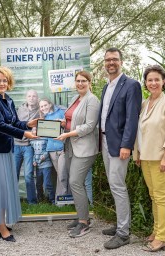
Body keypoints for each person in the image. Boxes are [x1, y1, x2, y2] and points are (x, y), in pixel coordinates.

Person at [0, 66, 38, 242]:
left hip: (6, 149)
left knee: (1, 186)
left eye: (4, 80)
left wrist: (27, 124)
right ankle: (1, 226)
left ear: (8, 82)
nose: (2, 83)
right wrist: (24, 134)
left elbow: (14, 122)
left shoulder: (8, 100)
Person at [133, 65, 165, 252]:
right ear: (145, 83)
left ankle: (162, 238)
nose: (153, 83)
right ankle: (156, 231)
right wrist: (137, 153)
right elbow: (139, 131)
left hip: (161, 157)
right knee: (153, 196)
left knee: (161, 198)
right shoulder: (144, 104)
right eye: (150, 80)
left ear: (163, 81)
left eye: (157, 80)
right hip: (146, 157)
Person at [100, 48, 142, 249]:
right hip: (105, 142)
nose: (111, 63)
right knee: (113, 184)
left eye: (114, 59)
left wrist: (127, 145)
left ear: (121, 62)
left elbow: (132, 118)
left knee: (118, 185)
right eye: (108, 60)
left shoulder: (131, 85)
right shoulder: (106, 86)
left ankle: (123, 233)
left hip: (119, 145)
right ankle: (120, 224)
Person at [56, 71, 100, 238]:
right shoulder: (76, 98)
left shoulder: (92, 100)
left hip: (85, 149)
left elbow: (89, 126)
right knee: (75, 183)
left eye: (83, 81)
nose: (80, 83)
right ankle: (82, 216)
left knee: (75, 182)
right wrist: (63, 123)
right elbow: (72, 120)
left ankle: (84, 223)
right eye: (78, 81)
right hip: (71, 147)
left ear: (89, 82)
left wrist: (67, 134)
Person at [39, 98, 69, 198]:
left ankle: (61, 199)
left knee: (62, 175)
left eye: (45, 105)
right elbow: (45, 137)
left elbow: (67, 126)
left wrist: (62, 123)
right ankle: (63, 198)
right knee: (59, 175)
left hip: (62, 148)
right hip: (51, 149)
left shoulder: (60, 112)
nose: (43, 108)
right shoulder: (44, 118)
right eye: (41, 106)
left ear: (50, 104)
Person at [14, 90, 40, 204]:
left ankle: (32, 202)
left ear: (37, 98)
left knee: (29, 174)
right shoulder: (19, 110)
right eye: (29, 96)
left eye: (34, 96)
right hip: (16, 145)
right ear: (26, 98)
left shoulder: (40, 111)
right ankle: (13, 201)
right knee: (14, 173)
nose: (31, 98)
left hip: (29, 146)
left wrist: (36, 129)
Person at [30, 129, 55, 204]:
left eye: (36, 129)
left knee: (47, 183)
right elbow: (33, 152)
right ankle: (40, 199)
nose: (35, 131)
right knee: (38, 183)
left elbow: (48, 149)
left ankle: (52, 200)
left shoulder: (45, 138)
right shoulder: (32, 141)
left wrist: (45, 155)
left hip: (46, 164)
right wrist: (34, 161)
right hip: (38, 166)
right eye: (33, 130)